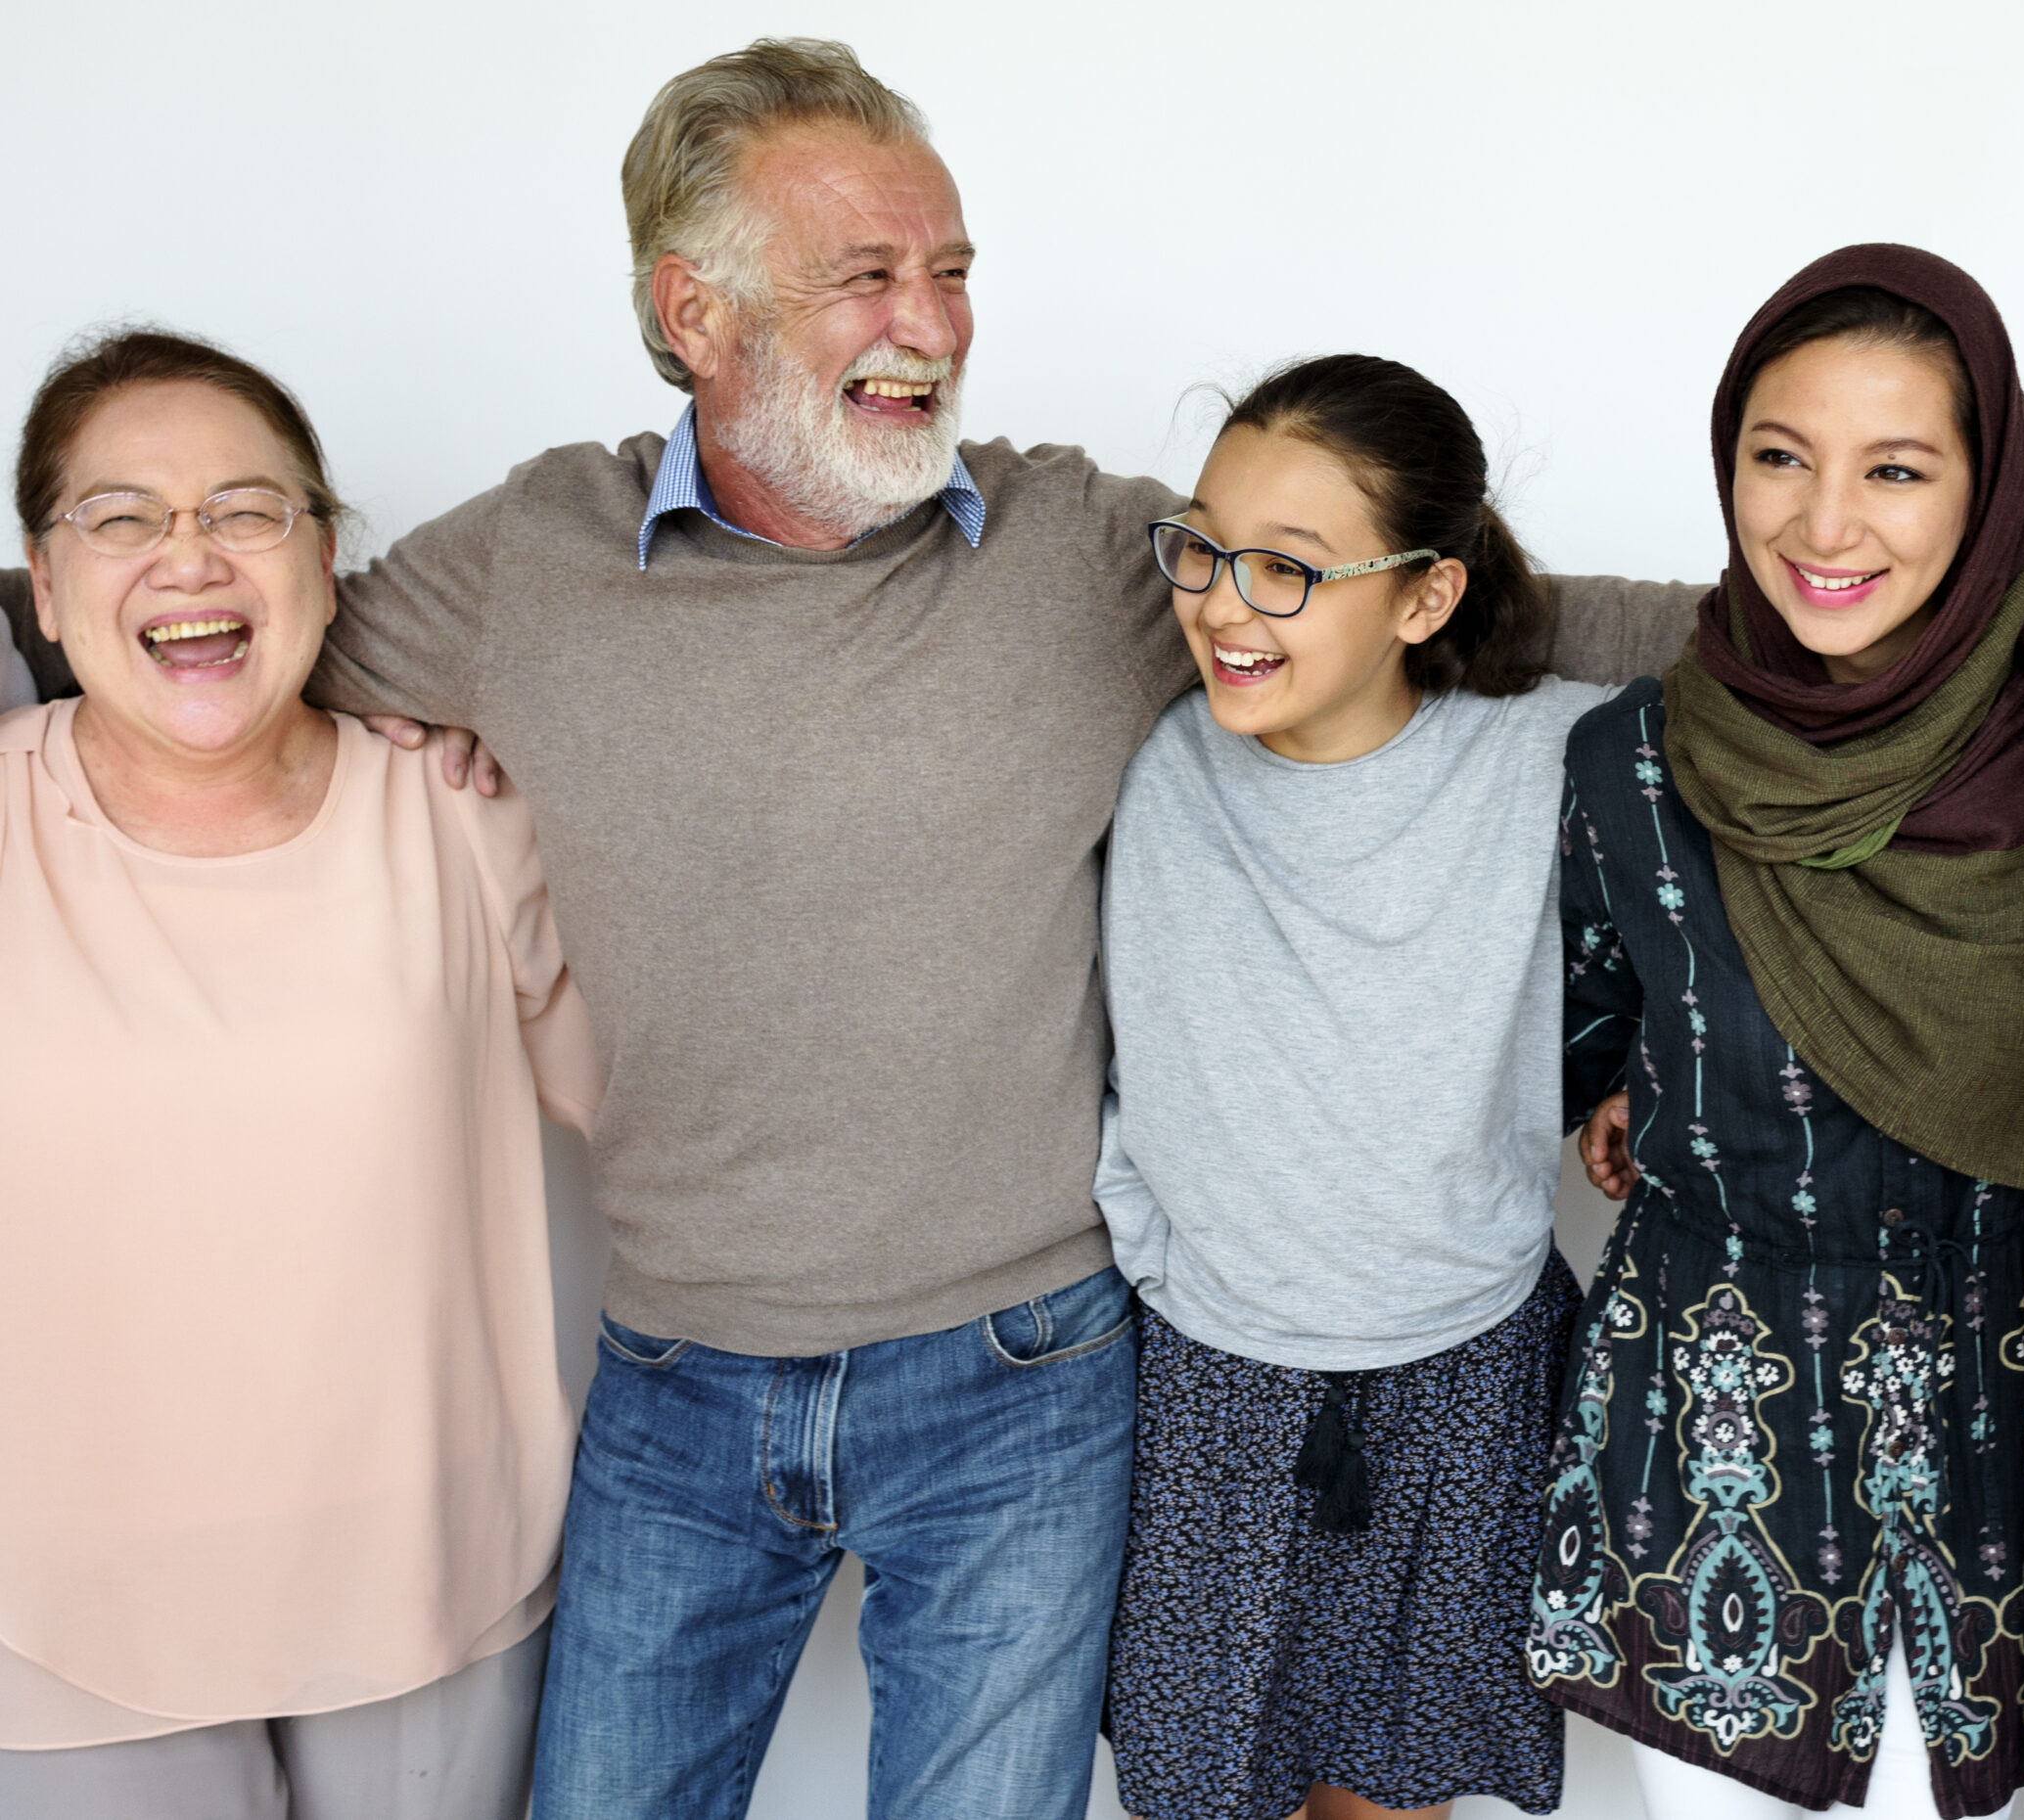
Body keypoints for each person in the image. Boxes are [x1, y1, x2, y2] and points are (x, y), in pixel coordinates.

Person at [0, 37, 1708, 1820]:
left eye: (952, 271)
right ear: (695, 314)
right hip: (676, 1376)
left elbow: (1476, 615)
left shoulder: (1094, 556)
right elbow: (234, 635)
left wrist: (1842, 630)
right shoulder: (533, 562)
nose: (934, 323)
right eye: (868, 275)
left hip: (1024, 1375)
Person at [1526, 245, 2024, 1819]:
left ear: (1990, 487)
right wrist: (1644, 1089)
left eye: (1895, 470)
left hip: (2016, 1463)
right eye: (1780, 457)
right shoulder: (1637, 762)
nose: (1824, 525)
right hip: (1707, 1472)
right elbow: (1582, 1029)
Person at [0, 332, 597, 1817]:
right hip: (62, 1618)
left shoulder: (464, 803)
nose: (188, 555)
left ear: (326, 559)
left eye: (246, 510)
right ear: (46, 585)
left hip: (435, 1584)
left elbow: (672, 1116)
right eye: (122, 516)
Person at [1095, 356, 1593, 1820]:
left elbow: (1779, 748)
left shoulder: (1553, 757)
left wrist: (1641, 1077)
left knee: (1394, 1795)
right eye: (1202, 548)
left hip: (1465, 1371)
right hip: (1209, 1375)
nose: (1222, 604)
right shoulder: (1145, 755)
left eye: (1289, 569)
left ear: (1426, 599)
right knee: (1201, 1788)